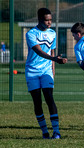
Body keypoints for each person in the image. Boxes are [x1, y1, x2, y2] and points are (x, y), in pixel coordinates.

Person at [25, 8, 67, 139]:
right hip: (32, 70)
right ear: (39, 19)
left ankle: (56, 132)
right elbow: (38, 51)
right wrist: (54, 59)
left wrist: (53, 69)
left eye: (50, 20)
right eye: (46, 20)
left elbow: (52, 51)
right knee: (37, 102)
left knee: (49, 98)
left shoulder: (52, 33)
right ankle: (44, 132)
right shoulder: (31, 33)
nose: (49, 23)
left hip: (46, 70)